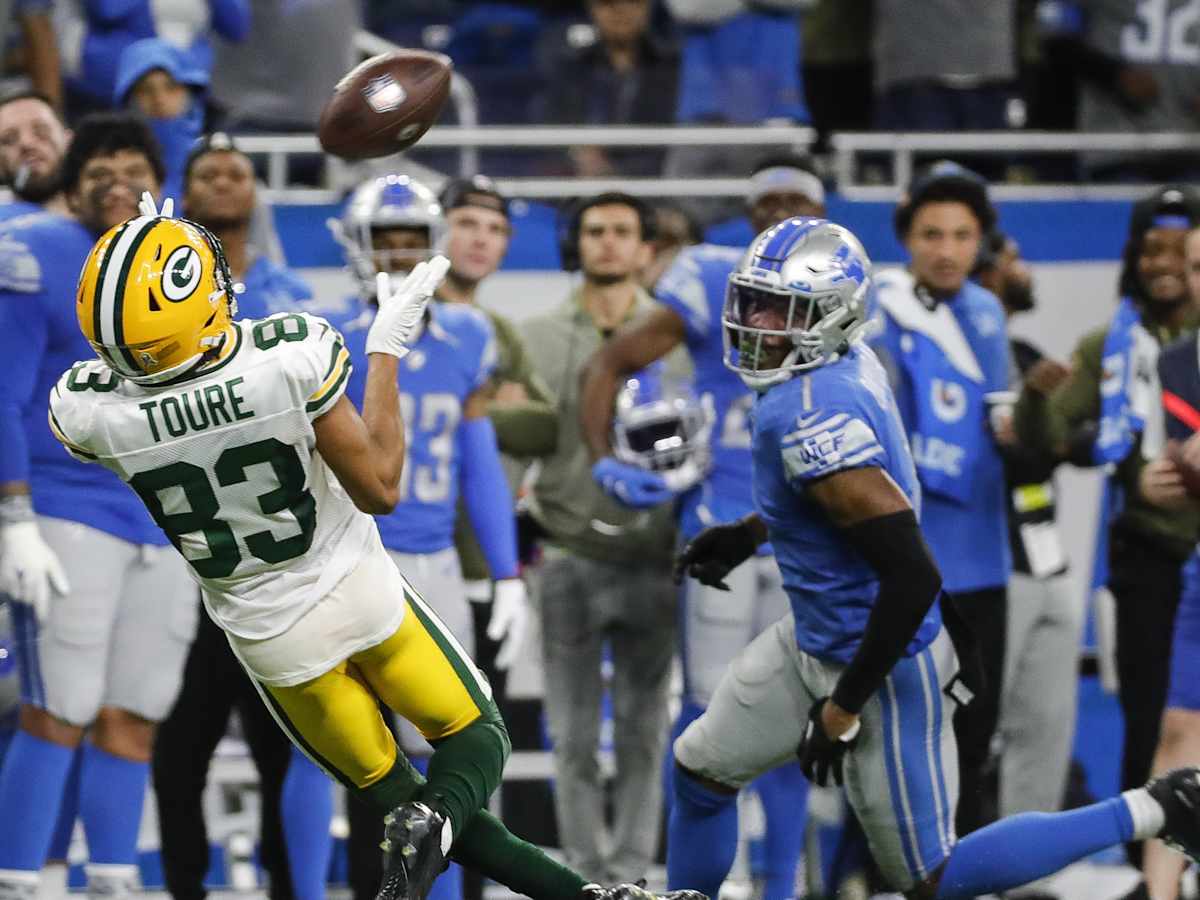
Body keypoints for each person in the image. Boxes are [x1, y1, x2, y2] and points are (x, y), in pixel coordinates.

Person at [47, 189, 704, 900]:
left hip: (269, 636)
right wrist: (385, 352)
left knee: (401, 799)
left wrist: (142, 284)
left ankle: (584, 898)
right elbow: (379, 488)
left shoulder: (91, 414)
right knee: (476, 742)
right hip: (353, 584)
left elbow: (135, 370)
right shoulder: (290, 356)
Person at [670, 214, 1200, 900]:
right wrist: (751, 533)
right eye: (752, 302)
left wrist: (843, 708)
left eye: (779, 309)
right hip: (817, 634)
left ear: (830, 314)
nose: (756, 324)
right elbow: (836, 504)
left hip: (881, 664)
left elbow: (913, 574)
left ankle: (1158, 806)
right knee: (701, 775)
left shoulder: (811, 412)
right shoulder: (842, 362)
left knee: (931, 878)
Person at [579, 155, 824, 900]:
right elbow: (612, 361)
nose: (779, 212)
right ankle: (698, 887)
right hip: (721, 520)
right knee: (708, 713)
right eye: (767, 199)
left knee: (795, 714)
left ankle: (780, 886)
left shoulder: (847, 280)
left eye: (796, 201)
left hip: (805, 536)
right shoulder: (716, 273)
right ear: (748, 214)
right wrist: (604, 461)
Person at [0, 114, 195, 900]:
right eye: (99, 165)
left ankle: (113, 881)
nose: (118, 179)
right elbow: (4, 396)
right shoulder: (34, 252)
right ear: (70, 180)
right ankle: (17, 882)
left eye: (134, 163)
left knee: (136, 711)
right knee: (59, 707)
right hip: (64, 507)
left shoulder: (181, 265)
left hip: (162, 517)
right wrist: (13, 518)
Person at [1014, 185, 1200, 866]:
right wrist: (1039, 399)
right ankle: (1152, 870)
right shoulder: (1107, 345)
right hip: (1149, 556)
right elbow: (1046, 442)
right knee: (1152, 717)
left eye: (1181, 248)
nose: (1166, 263)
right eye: (1151, 247)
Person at [150, 131, 311, 900]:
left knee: (289, 745)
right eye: (206, 172)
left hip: (265, 556)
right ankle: (186, 887)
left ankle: (291, 887)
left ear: (256, 191)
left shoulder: (289, 292)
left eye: (236, 172)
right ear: (185, 191)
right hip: (182, 546)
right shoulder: (150, 295)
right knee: (178, 745)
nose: (222, 182)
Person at [520, 191, 681, 883]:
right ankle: (586, 880)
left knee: (646, 734)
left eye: (623, 230)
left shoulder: (681, 335)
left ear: (647, 247)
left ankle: (635, 877)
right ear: (575, 244)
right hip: (568, 554)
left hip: (657, 557)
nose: (609, 243)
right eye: (595, 231)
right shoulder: (535, 337)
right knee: (574, 738)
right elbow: (514, 447)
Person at [870, 161, 1013, 836]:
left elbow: (1006, 432)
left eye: (962, 233)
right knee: (896, 741)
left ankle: (965, 876)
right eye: (931, 233)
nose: (947, 249)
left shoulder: (988, 314)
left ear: (982, 240)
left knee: (974, 738)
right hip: (905, 568)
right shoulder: (875, 312)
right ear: (906, 238)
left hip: (984, 562)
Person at [975, 230, 1085, 890]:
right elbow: (1021, 452)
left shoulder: (1024, 355)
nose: (1025, 268)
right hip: (990, 569)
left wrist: (1047, 418)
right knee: (970, 736)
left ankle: (1027, 881)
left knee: (1044, 739)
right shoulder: (963, 362)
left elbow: (1073, 440)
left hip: (1048, 563)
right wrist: (1040, 423)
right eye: (1013, 257)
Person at [438, 175, 555, 710]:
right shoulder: (400, 320)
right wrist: (485, 403)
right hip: (411, 559)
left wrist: (472, 411)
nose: (480, 239)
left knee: (479, 740)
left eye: (495, 229)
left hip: (487, 562)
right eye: (466, 224)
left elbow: (547, 425)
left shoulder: (502, 333)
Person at [1125, 223, 1200, 900]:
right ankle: (1160, 892)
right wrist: (1156, 480)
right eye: (1199, 267)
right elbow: (1170, 469)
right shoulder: (1179, 363)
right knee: (1177, 730)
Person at [536, 0, 679, 178]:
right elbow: (551, 124)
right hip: (581, 184)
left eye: (633, 3)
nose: (621, 10)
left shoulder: (674, 68)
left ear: (648, 6)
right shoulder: (572, 70)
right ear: (591, 7)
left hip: (655, 185)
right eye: (608, 3)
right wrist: (576, 152)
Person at [114, 38, 207, 203]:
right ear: (128, 100)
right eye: (145, 90)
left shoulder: (218, 163)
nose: (159, 99)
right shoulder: (111, 168)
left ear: (191, 93)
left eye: (171, 87)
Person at [0, 89, 69, 218]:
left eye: (41, 131)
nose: (26, 143)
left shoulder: (101, 213)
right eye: (9, 139)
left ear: (69, 140)